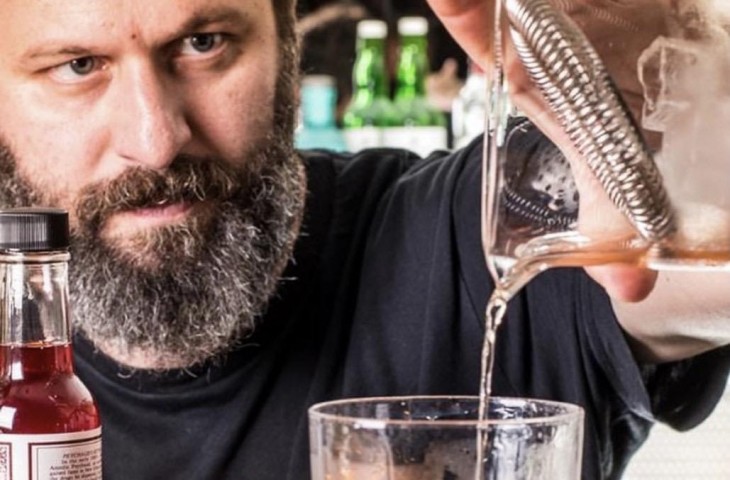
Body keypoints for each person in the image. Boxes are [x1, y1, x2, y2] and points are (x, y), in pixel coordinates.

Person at [0, 1, 727, 479]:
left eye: (203, 43)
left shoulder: (483, 231)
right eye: (77, 66)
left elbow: (706, 258)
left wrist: (702, 95)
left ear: (287, 45)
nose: (156, 139)